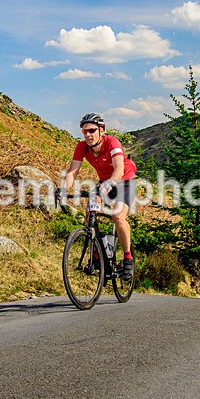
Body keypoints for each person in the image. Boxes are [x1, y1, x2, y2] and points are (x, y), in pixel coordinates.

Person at [58, 113, 137, 280]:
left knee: (118, 216)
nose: (88, 135)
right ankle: (98, 251)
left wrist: (108, 185)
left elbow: (118, 169)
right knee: (90, 214)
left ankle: (128, 258)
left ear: (102, 130)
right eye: (84, 131)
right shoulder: (82, 147)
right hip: (104, 181)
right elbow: (73, 172)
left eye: (92, 130)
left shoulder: (112, 142)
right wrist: (64, 189)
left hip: (124, 180)